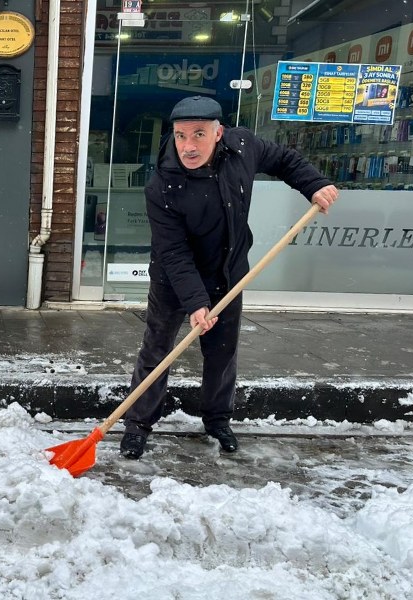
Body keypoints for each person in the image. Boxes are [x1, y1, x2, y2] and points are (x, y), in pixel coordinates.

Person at [120, 96, 338, 459]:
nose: (188, 146)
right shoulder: (162, 186)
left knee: (222, 352)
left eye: (199, 134)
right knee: (158, 350)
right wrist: (196, 303)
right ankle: (138, 425)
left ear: (219, 133)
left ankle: (218, 419)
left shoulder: (243, 148)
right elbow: (173, 252)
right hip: (174, 282)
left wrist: (312, 184)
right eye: (180, 136)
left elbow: (284, 160)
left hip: (228, 274)